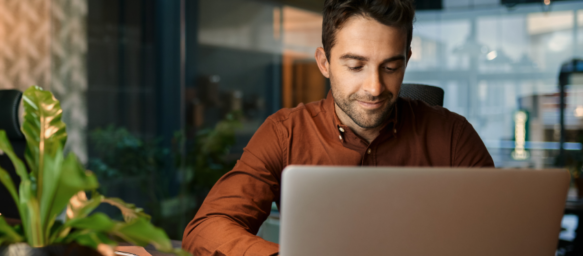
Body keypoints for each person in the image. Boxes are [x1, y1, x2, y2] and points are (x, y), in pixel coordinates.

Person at [182, 0, 495, 255]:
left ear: (407, 60)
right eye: (355, 66)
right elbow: (208, 227)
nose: (374, 87)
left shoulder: (453, 134)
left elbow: (501, 232)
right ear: (324, 63)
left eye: (391, 67)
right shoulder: (284, 132)